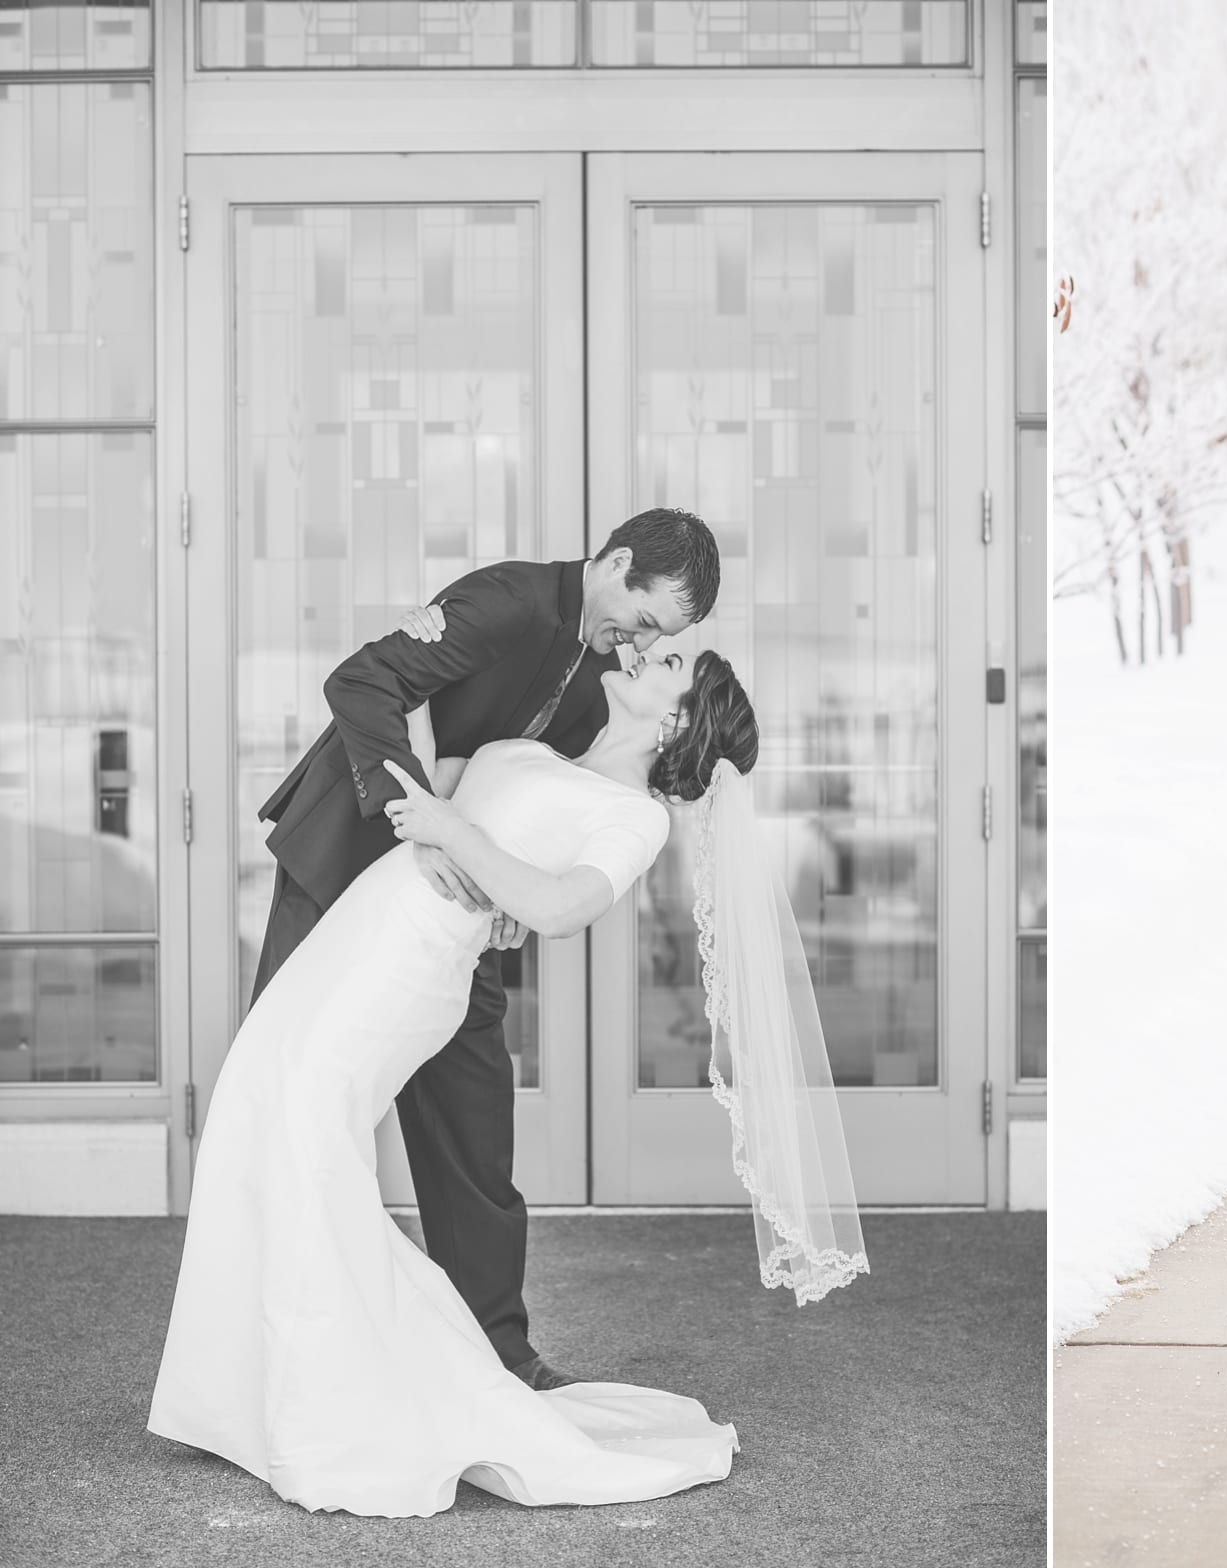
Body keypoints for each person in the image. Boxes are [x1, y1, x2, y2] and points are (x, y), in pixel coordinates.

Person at [149, 647, 870, 1515]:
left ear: (675, 719)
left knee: (304, 1146)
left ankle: (348, 1409)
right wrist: (421, 655)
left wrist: (460, 840)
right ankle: (250, 1390)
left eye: (666, 659)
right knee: (255, 1112)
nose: (641, 651)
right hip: (365, 927)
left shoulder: (635, 818)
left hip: (408, 967)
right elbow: (431, 773)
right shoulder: (546, 752)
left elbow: (562, 907)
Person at [248, 509, 718, 1389]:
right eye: (645, 620)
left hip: (457, 912)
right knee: (285, 1095)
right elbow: (361, 683)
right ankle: (272, 1350)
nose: (638, 644)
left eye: (660, 640)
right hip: (346, 860)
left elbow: (520, 797)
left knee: (473, 1108)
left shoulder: (594, 695)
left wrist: (503, 893)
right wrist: (419, 829)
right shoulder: (506, 600)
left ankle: (496, 1349)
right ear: (615, 562)